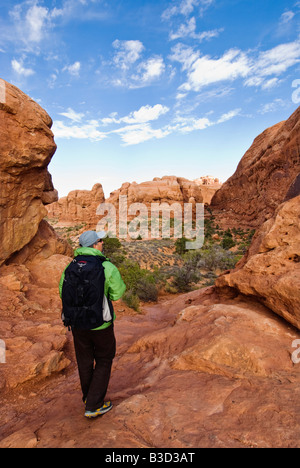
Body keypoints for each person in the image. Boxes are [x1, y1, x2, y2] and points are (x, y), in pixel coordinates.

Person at [59, 230, 126, 419]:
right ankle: (94, 405)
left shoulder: (70, 266)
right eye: (100, 240)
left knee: (85, 361)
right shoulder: (106, 266)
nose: (102, 242)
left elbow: (62, 291)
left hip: (78, 324)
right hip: (101, 324)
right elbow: (117, 293)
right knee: (104, 359)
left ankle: (89, 397)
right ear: (95, 245)